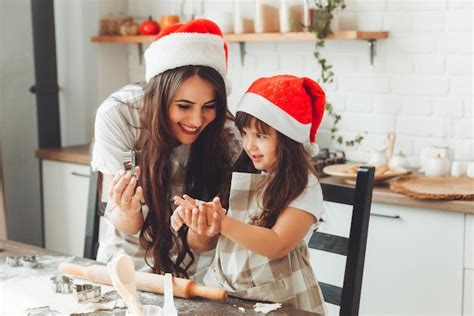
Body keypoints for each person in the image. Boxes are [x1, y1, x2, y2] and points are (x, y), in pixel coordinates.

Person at [91, 19, 240, 280]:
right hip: (128, 263)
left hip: (199, 271)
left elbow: (204, 244)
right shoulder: (120, 115)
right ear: (159, 97)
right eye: (183, 106)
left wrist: (201, 230)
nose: (196, 121)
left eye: (209, 106)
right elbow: (126, 226)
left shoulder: (226, 132)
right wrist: (128, 209)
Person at [171, 75, 327, 313]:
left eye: (261, 136)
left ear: (288, 139)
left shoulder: (304, 185)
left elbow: (277, 244)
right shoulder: (245, 174)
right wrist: (200, 217)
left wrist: (222, 222)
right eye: (245, 133)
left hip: (283, 303)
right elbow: (211, 241)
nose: (248, 145)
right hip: (229, 297)